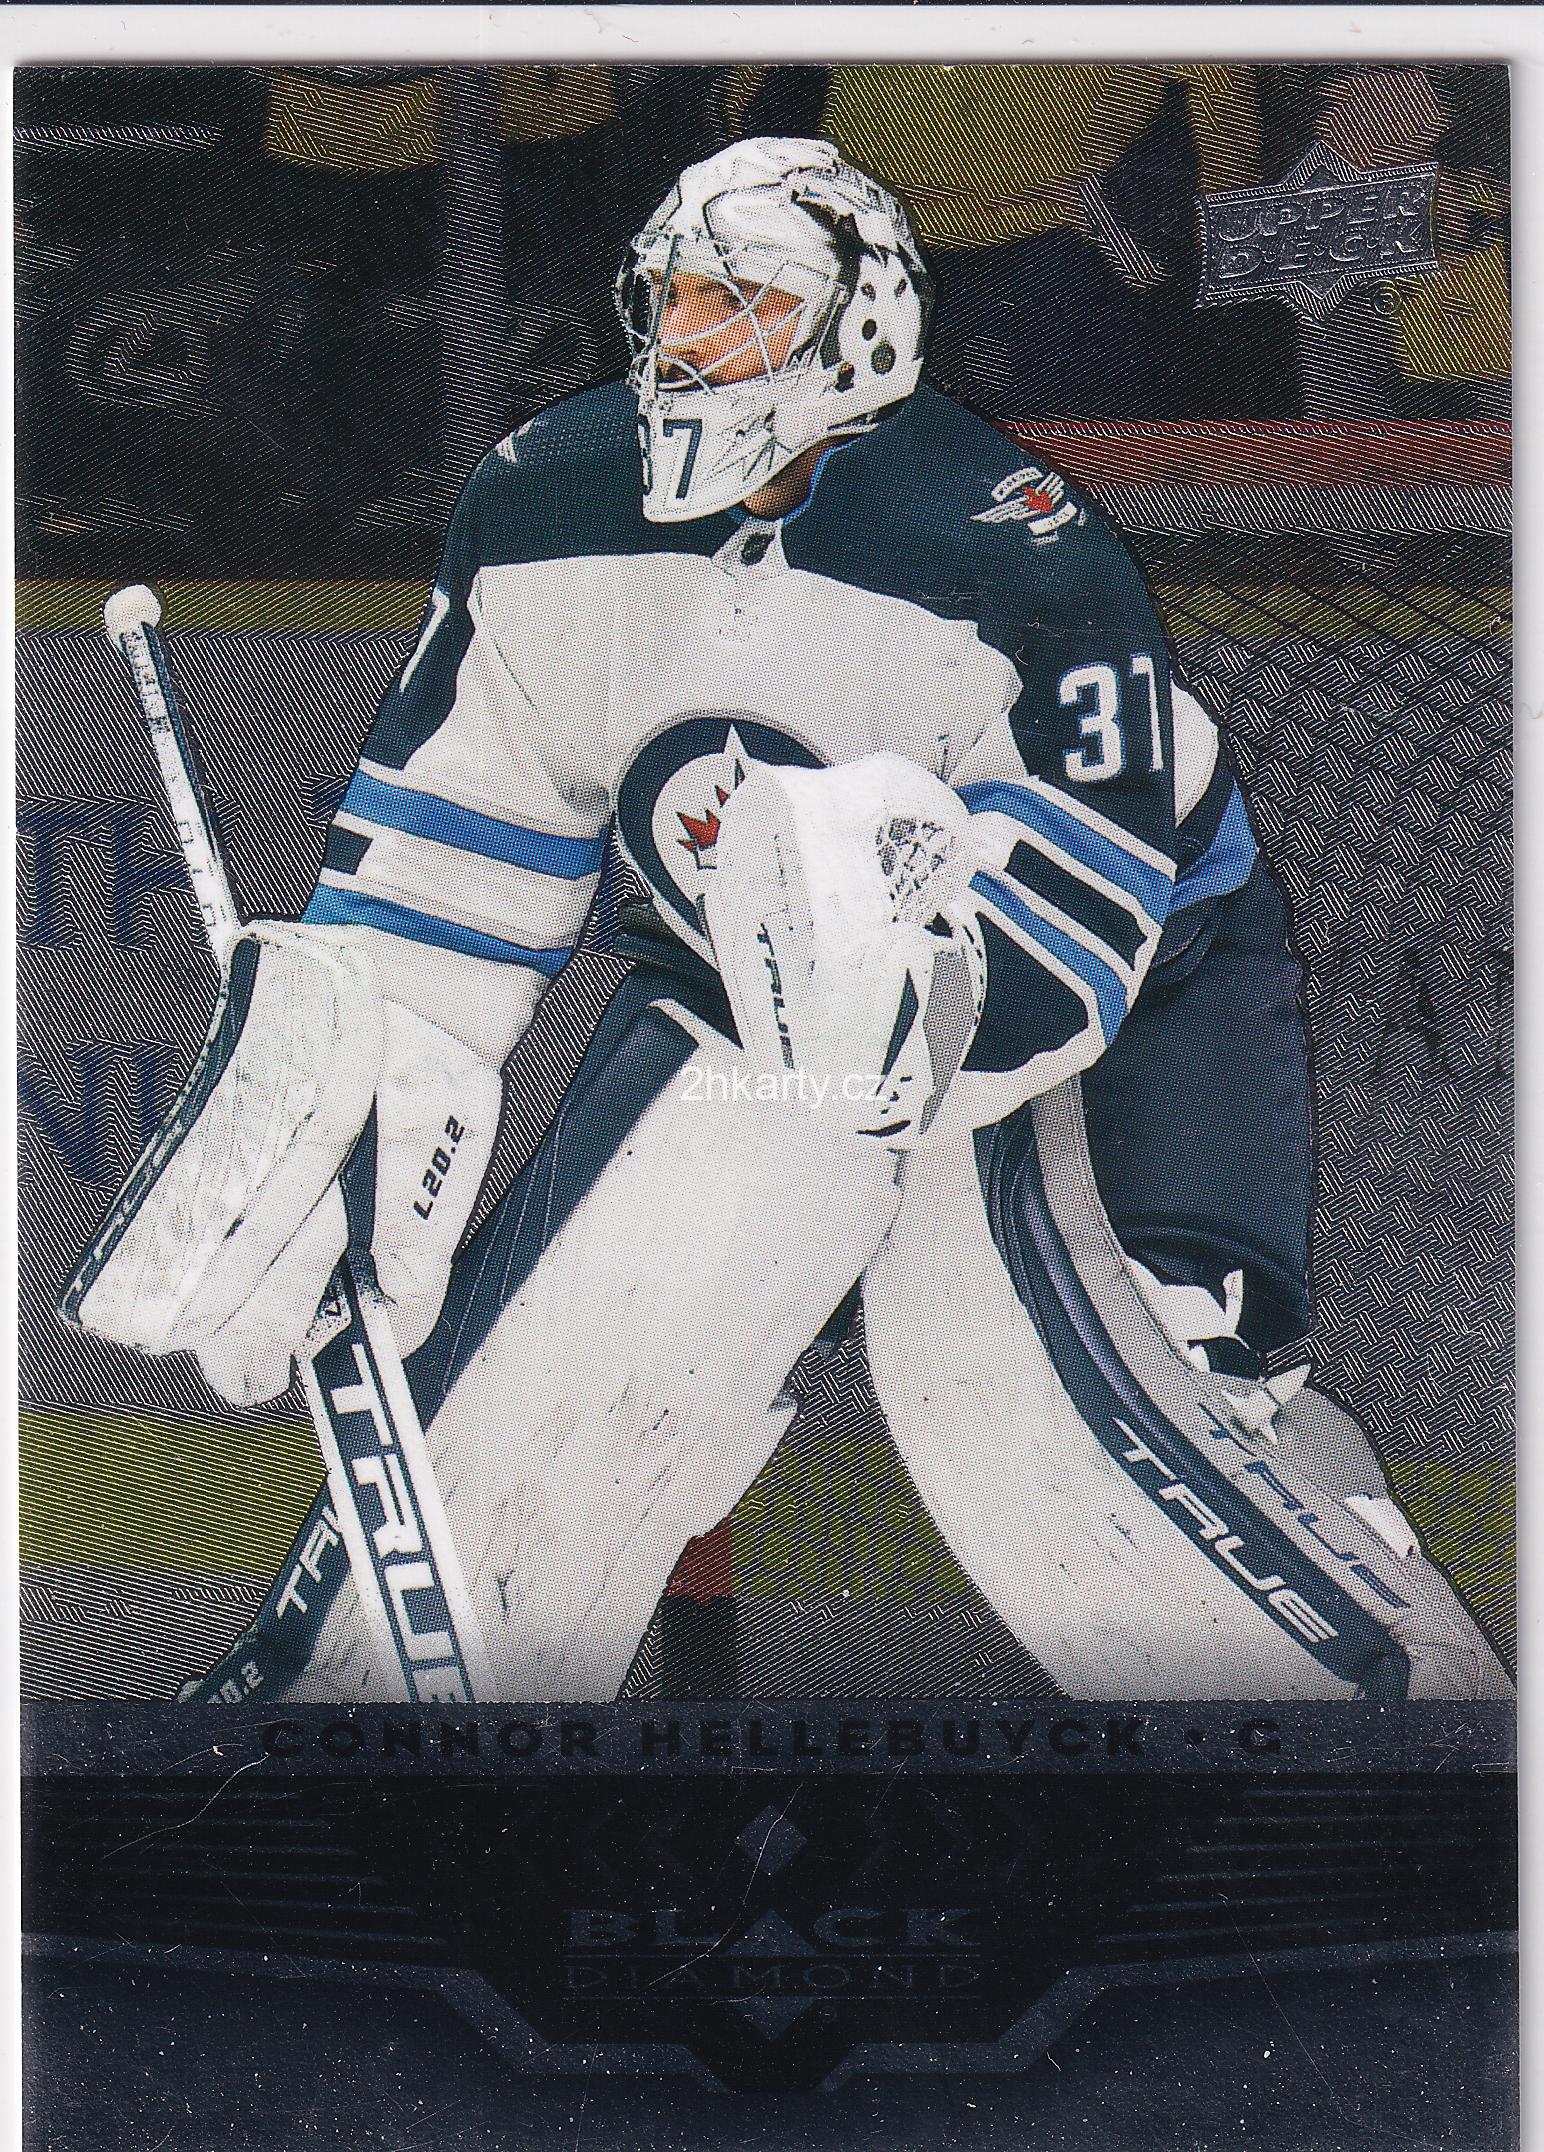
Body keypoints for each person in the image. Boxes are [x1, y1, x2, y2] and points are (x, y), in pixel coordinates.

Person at [70, 138, 1510, 1704]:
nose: (687, 343)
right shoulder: (548, 500)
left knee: (1047, 1436)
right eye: (671, 302)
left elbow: (1076, 942)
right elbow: (450, 872)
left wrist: (882, 1016)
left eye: (740, 305)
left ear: (863, 324)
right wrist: (360, 1079)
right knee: (561, 1365)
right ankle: (340, 1736)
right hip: (746, 988)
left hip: (1113, 993)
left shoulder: (1010, 536)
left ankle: (1405, 1743)